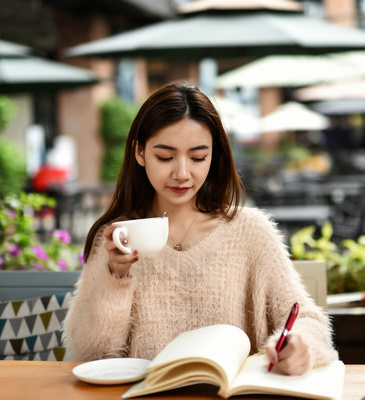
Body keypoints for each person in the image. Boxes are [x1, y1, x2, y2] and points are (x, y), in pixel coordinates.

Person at [62, 82, 337, 375]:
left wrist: (299, 345)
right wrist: (116, 277)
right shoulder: (118, 236)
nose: (182, 173)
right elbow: (90, 356)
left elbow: (308, 319)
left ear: (214, 156)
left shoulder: (251, 232)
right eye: (165, 157)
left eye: (197, 157)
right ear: (139, 153)